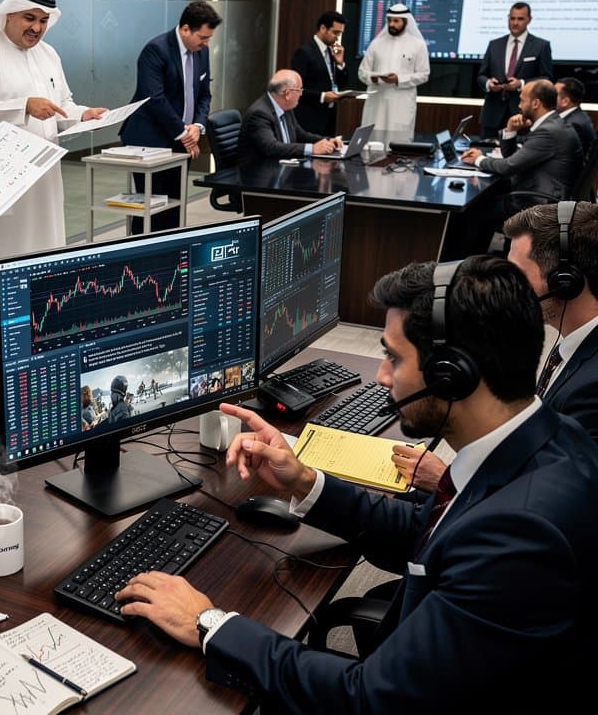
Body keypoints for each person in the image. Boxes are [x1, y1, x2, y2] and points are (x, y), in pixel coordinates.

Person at [115, 255, 598, 712]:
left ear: (451, 374)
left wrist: (207, 622)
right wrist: (304, 482)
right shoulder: (547, 439)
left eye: (393, 358)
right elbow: (423, 531)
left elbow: (365, 699)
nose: (382, 375)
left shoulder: (521, 533)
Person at [395, 201, 598, 490]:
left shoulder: (591, 388)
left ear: (566, 283)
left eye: (515, 274)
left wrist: (449, 482)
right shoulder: (574, 342)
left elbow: (561, 495)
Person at [0, 0, 107, 260]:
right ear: (8, 14)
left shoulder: (48, 54)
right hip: (1, 174)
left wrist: (82, 114)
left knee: (45, 245)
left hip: (45, 171)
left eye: (44, 21)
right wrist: (24, 107)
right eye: (29, 18)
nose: (37, 28)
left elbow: (63, 103)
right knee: (4, 248)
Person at [120, 1, 222, 234]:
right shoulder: (156, 50)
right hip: (149, 139)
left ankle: (170, 260)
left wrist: (198, 126)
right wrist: (184, 134)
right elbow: (154, 98)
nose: (206, 43)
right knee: (151, 207)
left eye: (209, 38)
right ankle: (140, 259)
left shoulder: (201, 52)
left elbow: (204, 94)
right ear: (185, 29)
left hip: (181, 139)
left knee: (174, 205)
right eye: (203, 37)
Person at [462, 79, 582, 214]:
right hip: (542, 195)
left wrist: (478, 159)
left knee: (473, 207)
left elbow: (508, 166)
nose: (519, 105)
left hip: (537, 203)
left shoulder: (548, 131)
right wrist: (510, 130)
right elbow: (513, 159)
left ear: (536, 103)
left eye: (522, 101)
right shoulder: (554, 124)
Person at [357, 3, 430, 147]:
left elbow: (424, 74)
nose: (392, 24)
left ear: (405, 21)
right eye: (390, 20)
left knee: (398, 149)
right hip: (376, 105)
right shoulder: (376, 43)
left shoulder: (418, 45)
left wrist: (399, 79)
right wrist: (374, 77)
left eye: (396, 21)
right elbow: (362, 72)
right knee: (372, 147)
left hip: (401, 106)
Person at [477, 2, 554, 139]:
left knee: (517, 157)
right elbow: (481, 75)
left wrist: (521, 84)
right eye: (512, 18)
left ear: (529, 20)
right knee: (486, 152)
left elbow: (546, 78)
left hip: (522, 115)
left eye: (520, 19)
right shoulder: (494, 44)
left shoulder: (541, 46)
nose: (515, 23)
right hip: (492, 113)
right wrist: (489, 84)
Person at [236, 70, 343, 163]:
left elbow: (300, 135)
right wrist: (312, 149)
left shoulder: (286, 108)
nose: (301, 94)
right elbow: (271, 147)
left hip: (280, 167)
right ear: (288, 94)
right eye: (300, 90)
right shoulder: (259, 113)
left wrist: (327, 141)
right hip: (257, 174)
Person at [290, 11, 353, 135]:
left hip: (328, 119)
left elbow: (340, 83)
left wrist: (340, 64)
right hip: (309, 119)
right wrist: (322, 96)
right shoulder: (304, 52)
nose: (337, 38)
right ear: (323, 28)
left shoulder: (331, 52)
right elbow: (295, 89)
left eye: (340, 34)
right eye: (335, 32)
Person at [556, 76, 596, 158]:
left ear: (565, 101)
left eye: (553, 94)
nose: (547, 97)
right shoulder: (577, 115)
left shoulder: (573, 124)